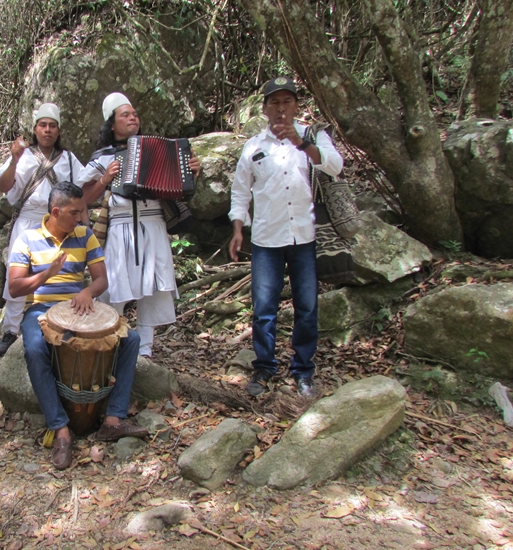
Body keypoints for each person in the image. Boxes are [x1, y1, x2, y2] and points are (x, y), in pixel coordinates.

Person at [8, 182, 148, 470]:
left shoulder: (84, 236)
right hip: (40, 310)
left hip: (79, 306)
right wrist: (47, 273)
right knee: (35, 349)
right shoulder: (27, 239)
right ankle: (60, 428)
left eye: (82, 210)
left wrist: (87, 292)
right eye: (75, 212)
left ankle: (112, 419)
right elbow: (14, 287)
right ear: (56, 211)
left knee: (131, 339)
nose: (81, 217)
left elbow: (101, 280)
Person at [228, 76, 344, 399]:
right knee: (264, 308)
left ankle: (303, 370)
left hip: (303, 237)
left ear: (296, 106)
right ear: (264, 109)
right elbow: (240, 191)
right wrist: (238, 228)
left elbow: (335, 166)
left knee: (307, 306)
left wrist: (302, 143)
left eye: (287, 102)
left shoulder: (312, 135)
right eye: (274, 103)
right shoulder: (253, 147)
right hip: (266, 239)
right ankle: (265, 367)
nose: (281, 109)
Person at [77, 93, 200, 357]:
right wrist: (104, 179)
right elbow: (82, 199)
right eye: (125, 115)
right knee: (114, 289)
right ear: (112, 124)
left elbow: (178, 188)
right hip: (119, 229)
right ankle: (108, 348)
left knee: (153, 290)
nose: (133, 117)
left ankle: (145, 353)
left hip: (154, 226)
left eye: (134, 114)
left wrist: (190, 172)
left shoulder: (158, 148)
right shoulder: (103, 157)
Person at [0, 103, 84, 357]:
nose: (47, 130)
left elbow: (83, 188)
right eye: (43, 125)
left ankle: (59, 324)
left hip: (59, 224)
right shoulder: (21, 155)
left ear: (58, 131)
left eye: (52, 126)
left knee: (58, 274)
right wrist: (13, 158)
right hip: (26, 222)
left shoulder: (67, 158)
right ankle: (11, 330)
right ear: (35, 129)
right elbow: (4, 186)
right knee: (19, 278)